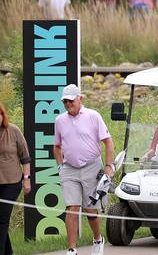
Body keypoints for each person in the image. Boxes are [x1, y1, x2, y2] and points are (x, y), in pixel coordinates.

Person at [54, 84, 115, 255]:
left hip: (92, 166)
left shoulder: (93, 116)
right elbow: (57, 147)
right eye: (65, 101)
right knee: (71, 207)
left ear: (79, 99)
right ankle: (72, 249)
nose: (67, 104)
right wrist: (60, 167)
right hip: (69, 169)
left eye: (70, 101)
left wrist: (109, 166)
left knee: (90, 210)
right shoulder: (60, 120)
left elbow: (108, 142)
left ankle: (97, 238)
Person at [0, 102, 31, 255]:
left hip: (11, 182)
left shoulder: (13, 130)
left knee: (2, 219)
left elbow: (25, 157)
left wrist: (27, 179)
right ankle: (8, 251)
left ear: (2, 115)